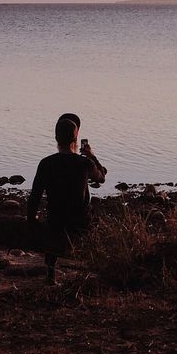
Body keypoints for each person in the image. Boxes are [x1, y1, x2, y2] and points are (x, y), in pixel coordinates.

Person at [27, 113, 107, 284]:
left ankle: (50, 273)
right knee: (94, 217)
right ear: (75, 139)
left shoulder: (46, 163)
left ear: (56, 138)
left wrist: (31, 219)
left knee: (53, 218)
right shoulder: (84, 163)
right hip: (81, 223)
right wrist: (91, 155)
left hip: (56, 222)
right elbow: (101, 177)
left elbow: (35, 196)